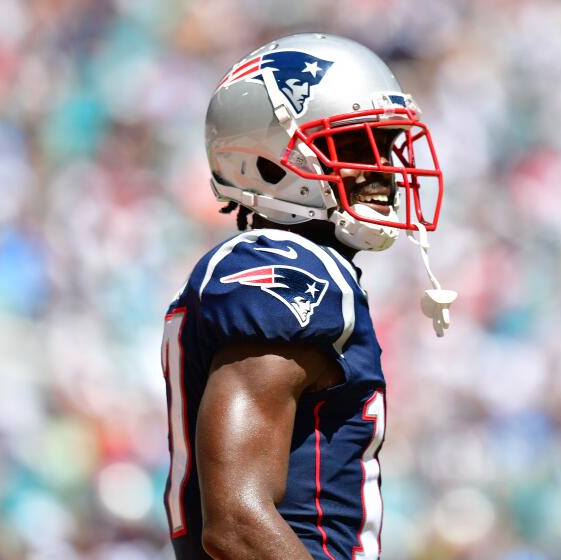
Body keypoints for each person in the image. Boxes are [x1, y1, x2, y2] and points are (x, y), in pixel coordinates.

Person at [160, 33, 455, 559]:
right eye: (354, 147)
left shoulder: (301, 268)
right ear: (271, 162)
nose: (382, 168)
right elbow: (236, 525)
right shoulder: (283, 268)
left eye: (384, 144)